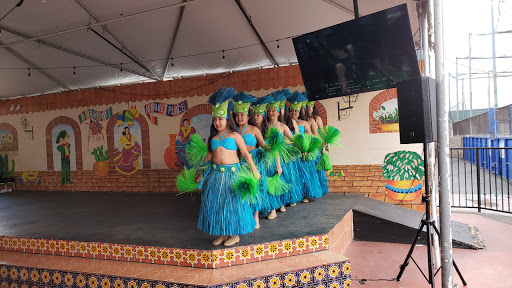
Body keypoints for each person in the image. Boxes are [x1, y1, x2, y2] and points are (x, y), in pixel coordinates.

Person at [198, 87, 261, 246]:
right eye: (215, 119)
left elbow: (246, 155)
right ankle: (222, 233)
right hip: (215, 176)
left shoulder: (235, 135)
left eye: (220, 119)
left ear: (227, 119)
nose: (217, 122)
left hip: (232, 176)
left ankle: (235, 234)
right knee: (218, 205)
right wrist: (201, 172)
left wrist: (254, 171)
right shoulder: (212, 138)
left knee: (233, 205)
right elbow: (209, 157)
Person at [233, 91, 269, 229]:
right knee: (242, 190)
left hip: (253, 161)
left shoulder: (254, 129)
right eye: (237, 115)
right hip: (239, 162)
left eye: (242, 115)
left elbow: (263, 145)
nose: (239, 117)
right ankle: (244, 215)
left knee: (254, 188)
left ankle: (255, 216)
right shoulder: (233, 131)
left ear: (248, 116)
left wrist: (272, 148)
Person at [267, 92, 303, 209]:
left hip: (280, 157)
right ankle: (275, 205)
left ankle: (282, 203)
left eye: (273, 111)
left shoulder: (283, 127)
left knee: (281, 179)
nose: (271, 113)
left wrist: (302, 148)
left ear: (278, 112)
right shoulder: (264, 126)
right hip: (268, 157)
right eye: (269, 111)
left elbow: (294, 140)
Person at [286, 91, 323, 201]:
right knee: (295, 175)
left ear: (299, 112)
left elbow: (313, 136)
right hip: (292, 151)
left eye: (296, 111)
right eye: (291, 111)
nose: (293, 113)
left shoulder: (305, 123)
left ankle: (307, 194)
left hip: (303, 151)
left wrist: (309, 148)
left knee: (306, 174)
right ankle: (298, 195)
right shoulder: (286, 124)